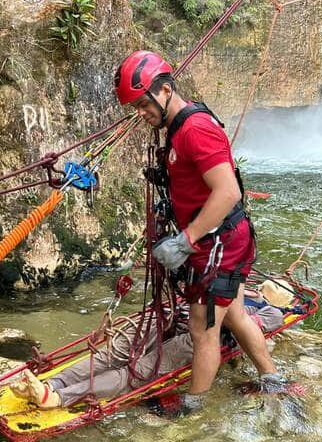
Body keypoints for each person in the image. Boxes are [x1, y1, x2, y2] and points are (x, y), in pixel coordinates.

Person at [111, 50, 288, 413]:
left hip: (218, 242)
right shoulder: (177, 128)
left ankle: (192, 406)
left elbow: (227, 191)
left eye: (144, 105)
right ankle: (273, 380)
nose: (141, 115)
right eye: (136, 108)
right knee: (235, 314)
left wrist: (185, 240)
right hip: (223, 239)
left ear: (165, 89)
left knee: (201, 329)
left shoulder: (195, 130)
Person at [10, 298, 285, 409]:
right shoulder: (241, 283)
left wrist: (232, 317)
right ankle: (54, 382)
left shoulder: (262, 308)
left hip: (195, 336)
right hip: (168, 317)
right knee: (110, 356)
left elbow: (267, 319)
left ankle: (57, 397)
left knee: (135, 371)